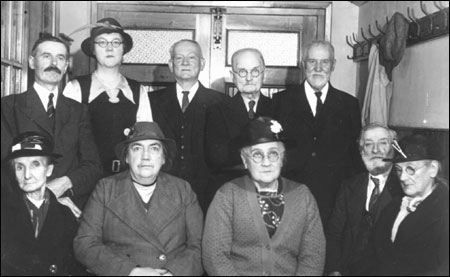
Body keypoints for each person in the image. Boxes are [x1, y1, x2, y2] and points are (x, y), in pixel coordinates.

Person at [74, 122, 203, 276]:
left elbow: (199, 246)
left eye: (154, 149)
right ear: (127, 157)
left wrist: (173, 273)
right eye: (137, 148)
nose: (146, 156)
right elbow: (85, 243)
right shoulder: (106, 189)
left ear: (163, 158)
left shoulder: (182, 190)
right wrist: (131, 271)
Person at [203, 117, 325, 276]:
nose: (266, 162)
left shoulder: (303, 195)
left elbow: (314, 256)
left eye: (273, 154)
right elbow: (214, 256)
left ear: (282, 159)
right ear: (245, 161)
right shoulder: (227, 195)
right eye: (257, 155)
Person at [1, 34, 102, 213]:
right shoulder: (9, 106)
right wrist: (45, 195)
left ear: (65, 67)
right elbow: (5, 165)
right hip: (19, 209)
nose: (53, 63)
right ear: (32, 62)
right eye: (46, 56)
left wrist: (64, 185)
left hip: (68, 206)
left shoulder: (79, 111)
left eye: (60, 58)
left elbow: (93, 166)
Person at [273, 40, 363, 225]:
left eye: (325, 62)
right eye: (312, 61)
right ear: (303, 64)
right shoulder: (280, 101)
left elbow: (354, 157)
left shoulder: (349, 104)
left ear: (333, 65)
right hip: (291, 195)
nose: (318, 68)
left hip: (333, 199)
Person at [63, 17, 153, 177]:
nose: (109, 48)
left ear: (123, 49)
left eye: (116, 42)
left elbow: (145, 140)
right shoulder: (76, 88)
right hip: (86, 179)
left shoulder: (138, 91)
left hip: (127, 180)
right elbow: (66, 142)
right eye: (102, 43)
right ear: (93, 49)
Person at [149, 39, 226, 213]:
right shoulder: (152, 101)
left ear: (202, 64)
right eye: (179, 58)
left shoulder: (220, 102)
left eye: (192, 58)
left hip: (207, 194)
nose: (185, 63)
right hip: (162, 191)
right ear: (170, 64)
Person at [359, 134, 449, 276]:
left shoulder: (445, 209)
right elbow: (371, 256)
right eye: (399, 169)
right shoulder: (393, 207)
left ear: (433, 169)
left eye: (410, 169)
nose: (402, 177)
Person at [1, 132, 85, 276]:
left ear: (49, 169)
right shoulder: (5, 211)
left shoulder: (65, 214)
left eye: (35, 165)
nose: (27, 175)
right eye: (20, 167)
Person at [325, 123, 403, 276]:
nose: (375, 150)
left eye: (382, 143)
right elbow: (334, 234)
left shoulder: (404, 186)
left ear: (393, 148)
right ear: (361, 151)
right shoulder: (349, 186)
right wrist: (334, 270)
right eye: (368, 144)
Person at [206, 48, 273, 202]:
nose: (249, 78)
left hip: (269, 192)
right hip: (232, 191)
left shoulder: (278, 107)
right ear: (233, 76)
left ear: (264, 73)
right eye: (242, 72)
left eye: (255, 71)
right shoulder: (217, 111)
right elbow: (217, 157)